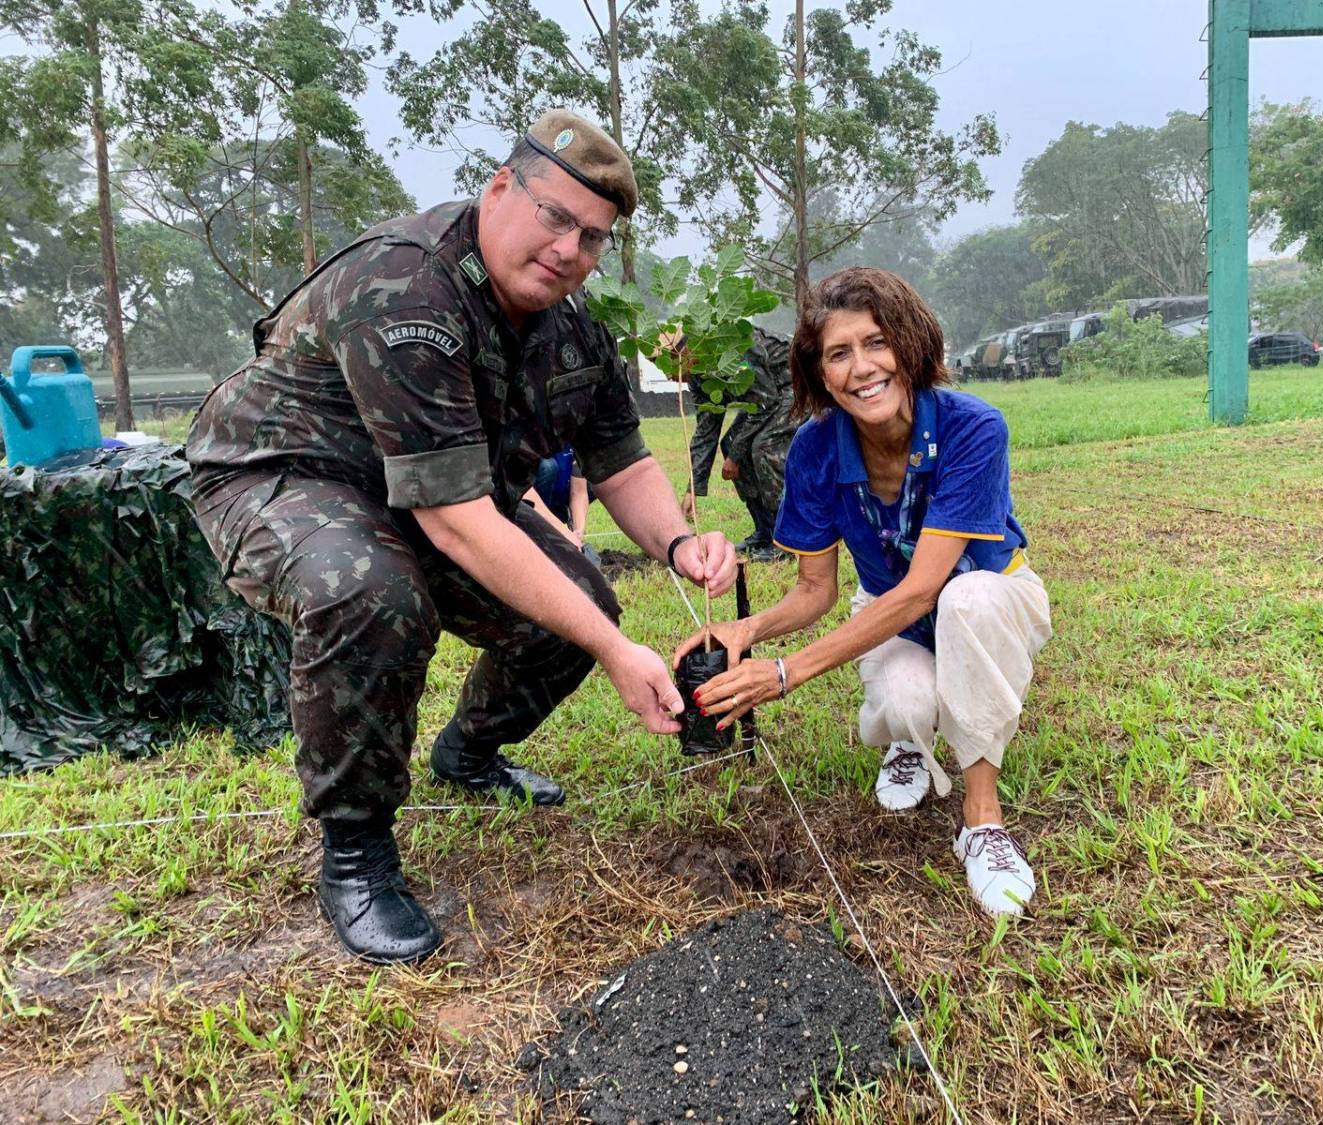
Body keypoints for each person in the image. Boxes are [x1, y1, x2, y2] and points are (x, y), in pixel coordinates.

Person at [186, 110, 735, 964]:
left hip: (438, 491)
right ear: (499, 188)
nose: (569, 249)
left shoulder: (574, 329)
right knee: (370, 590)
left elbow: (622, 465)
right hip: (286, 474)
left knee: (578, 601)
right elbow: (461, 527)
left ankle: (469, 753)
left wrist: (677, 544)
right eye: (555, 216)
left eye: (592, 238)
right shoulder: (410, 288)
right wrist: (621, 651)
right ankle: (356, 848)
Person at [673, 267, 1052, 917]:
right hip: (894, 616)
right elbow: (815, 589)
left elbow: (923, 589)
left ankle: (982, 819)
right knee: (905, 700)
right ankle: (909, 740)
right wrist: (747, 632)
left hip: (989, 597)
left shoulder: (972, 428)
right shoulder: (815, 450)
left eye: (876, 342)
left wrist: (784, 674)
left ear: (910, 344)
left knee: (967, 601)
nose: (861, 367)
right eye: (838, 353)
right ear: (819, 373)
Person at [679, 328, 796, 560]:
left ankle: (786, 542)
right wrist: (693, 488)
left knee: (763, 447)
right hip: (764, 399)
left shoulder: (734, 350)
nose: (667, 373)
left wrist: (734, 457)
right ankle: (765, 531)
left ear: (690, 351)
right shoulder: (699, 376)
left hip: (794, 387)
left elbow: (767, 402)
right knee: (731, 443)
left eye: (672, 361)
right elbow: (706, 431)